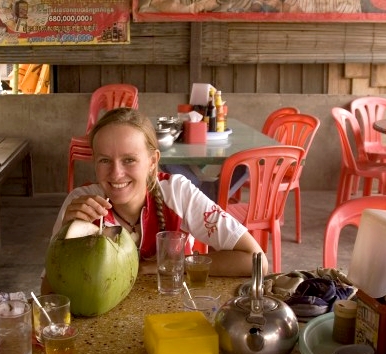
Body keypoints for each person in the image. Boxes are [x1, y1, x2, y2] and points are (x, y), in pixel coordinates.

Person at [49, 108, 266, 282]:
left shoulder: (176, 192)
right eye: (104, 160)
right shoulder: (81, 206)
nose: (116, 173)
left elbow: (256, 260)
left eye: (129, 160)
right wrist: (64, 240)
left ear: (152, 161)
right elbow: (49, 291)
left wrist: (173, 264)